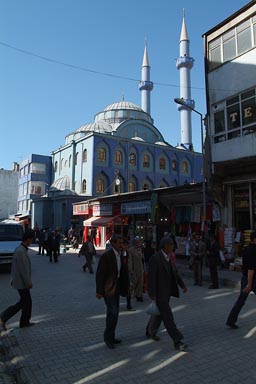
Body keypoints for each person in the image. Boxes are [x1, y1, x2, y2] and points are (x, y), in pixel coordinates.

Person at [146, 236, 188, 351]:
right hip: (159, 293)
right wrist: (152, 293)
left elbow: (175, 273)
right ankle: (177, 341)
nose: (173, 247)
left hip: (167, 292)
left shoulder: (169, 258)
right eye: (171, 245)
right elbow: (151, 277)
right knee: (168, 317)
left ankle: (150, 331)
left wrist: (183, 285)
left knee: (159, 314)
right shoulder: (155, 258)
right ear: (165, 246)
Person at [96, 234, 129, 349]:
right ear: (113, 243)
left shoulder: (121, 255)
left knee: (115, 314)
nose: (121, 245)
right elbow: (100, 275)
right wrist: (99, 291)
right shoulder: (107, 256)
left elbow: (124, 271)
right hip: (108, 289)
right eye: (119, 243)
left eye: (122, 243)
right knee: (112, 313)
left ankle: (112, 336)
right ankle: (108, 337)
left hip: (117, 288)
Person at [0, 230, 35, 330]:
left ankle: (24, 322)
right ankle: (3, 317)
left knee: (26, 302)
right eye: (31, 239)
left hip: (21, 281)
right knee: (24, 302)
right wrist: (28, 282)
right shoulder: (20, 251)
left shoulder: (21, 249)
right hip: (21, 282)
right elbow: (23, 269)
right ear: (28, 239)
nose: (32, 241)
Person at [226, 231, 256, 329]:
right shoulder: (253, 251)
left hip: (245, 278)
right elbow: (251, 269)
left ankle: (230, 320)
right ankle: (230, 320)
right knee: (241, 300)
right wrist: (249, 284)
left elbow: (244, 265)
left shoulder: (246, 249)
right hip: (251, 280)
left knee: (240, 301)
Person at [128, 237, 144, 302]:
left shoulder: (140, 249)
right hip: (134, 268)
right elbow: (130, 260)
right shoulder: (131, 250)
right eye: (137, 242)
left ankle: (139, 296)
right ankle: (130, 294)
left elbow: (142, 258)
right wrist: (130, 269)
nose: (139, 243)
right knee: (134, 282)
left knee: (140, 282)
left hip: (140, 267)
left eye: (139, 242)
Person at [122, 239, 136, 311]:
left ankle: (129, 304)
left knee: (129, 290)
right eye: (124, 245)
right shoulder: (120, 253)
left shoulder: (127, 253)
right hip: (121, 274)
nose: (125, 246)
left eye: (126, 245)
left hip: (127, 273)